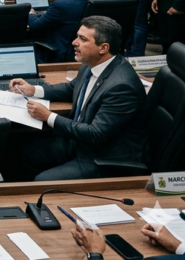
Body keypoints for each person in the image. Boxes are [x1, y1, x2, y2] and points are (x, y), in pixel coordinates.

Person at [10, 16, 146, 181]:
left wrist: (48, 116)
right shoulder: (92, 65)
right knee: (19, 150)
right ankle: (26, 192)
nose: (74, 42)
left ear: (103, 48)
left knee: (42, 180)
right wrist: (33, 90)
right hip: (77, 142)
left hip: (101, 158)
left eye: (82, 39)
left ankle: (39, 190)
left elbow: (95, 134)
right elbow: (71, 88)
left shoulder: (121, 87)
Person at [28, 0, 101, 63]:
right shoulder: (98, 1)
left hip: (61, 54)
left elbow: (36, 25)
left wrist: (31, 13)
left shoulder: (60, 5)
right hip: (91, 51)